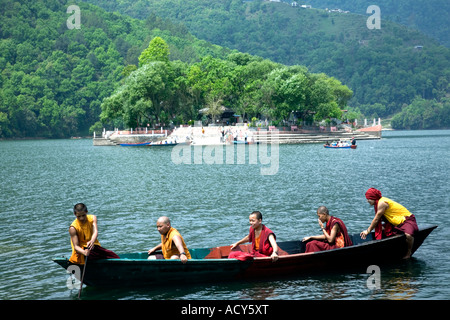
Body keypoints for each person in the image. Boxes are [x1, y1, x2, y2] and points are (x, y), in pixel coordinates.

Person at [360, 188, 419, 259]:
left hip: (406, 220)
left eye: (368, 199)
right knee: (379, 229)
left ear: (373, 198)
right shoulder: (378, 202)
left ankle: (408, 252)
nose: (367, 201)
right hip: (395, 222)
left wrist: (368, 231)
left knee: (408, 235)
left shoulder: (382, 203)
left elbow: (376, 219)